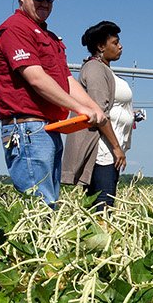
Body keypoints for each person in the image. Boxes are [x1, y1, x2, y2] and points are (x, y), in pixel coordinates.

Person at [0, 0, 107, 206]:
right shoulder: (14, 29)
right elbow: (36, 78)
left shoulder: (49, 37)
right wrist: (80, 109)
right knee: (39, 208)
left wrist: (93, 108)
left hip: (49, 128)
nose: (44, 4)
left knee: (48, 204)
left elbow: (66, 80)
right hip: (28, 129)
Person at [62, 21, 136, 211]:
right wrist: (116, 147)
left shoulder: (104, 69)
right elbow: (98, 112)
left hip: (109, 149)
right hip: (103, 150)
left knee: (103, 202)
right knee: (104, 203)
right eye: (115, 42)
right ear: (101, 46)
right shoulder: (94, 69)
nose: (120, 46)